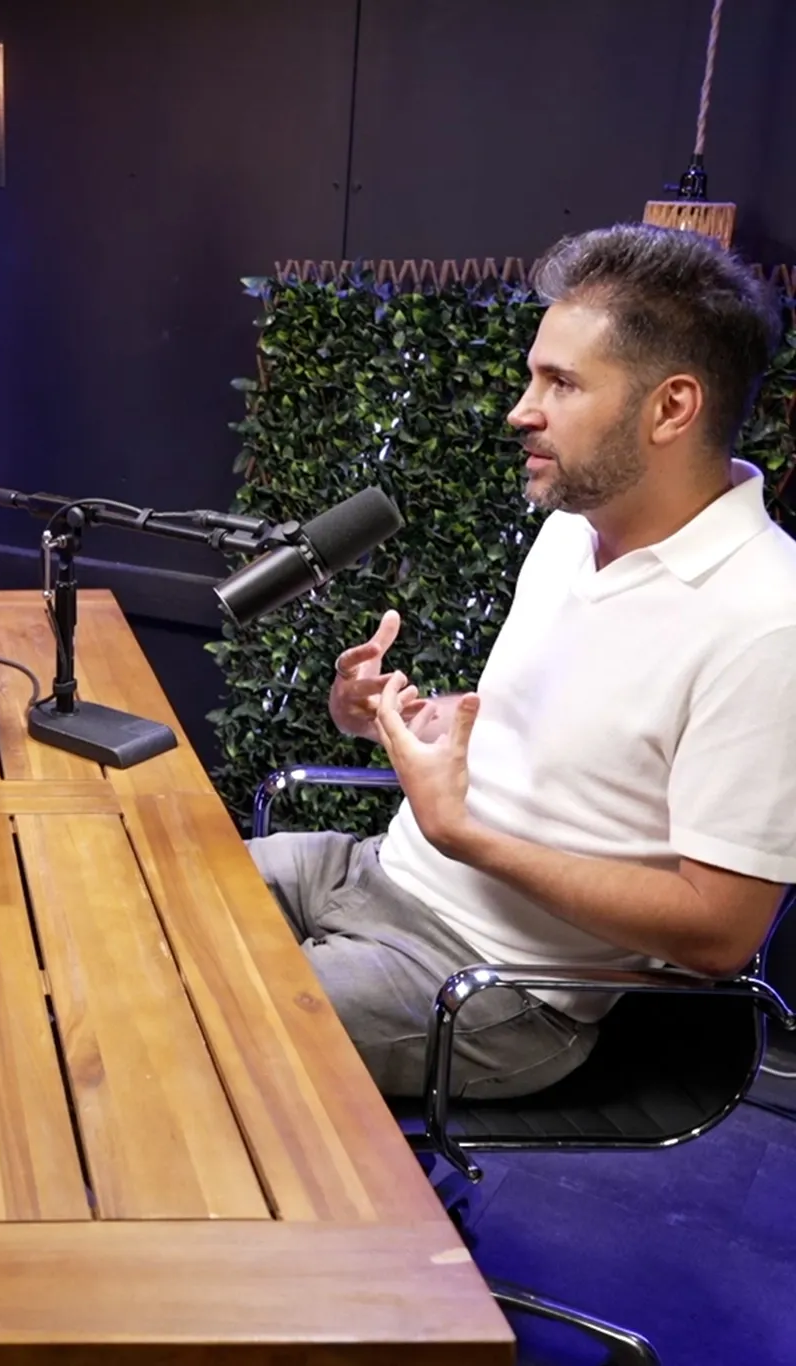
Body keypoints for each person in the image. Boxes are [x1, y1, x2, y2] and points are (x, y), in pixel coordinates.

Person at [249, 223, 796, 1099]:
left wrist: (466, 836)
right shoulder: (572, 533)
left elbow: (720, 933)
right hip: (372, 870)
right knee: (127, 898)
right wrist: (401, 714)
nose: (521, 409)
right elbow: (574, 739)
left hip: (493, 987)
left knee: (179, 1008)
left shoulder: (769, 620)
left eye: (561, 383)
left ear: (671, 408)